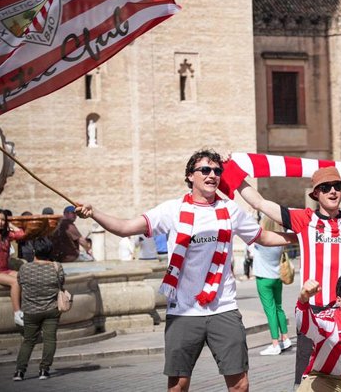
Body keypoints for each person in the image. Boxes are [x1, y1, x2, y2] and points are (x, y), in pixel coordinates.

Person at [77, 149, 296, 392]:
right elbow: (126, 227)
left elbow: (262, 236)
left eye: (216, 171)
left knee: (240, 385)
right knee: (178, 386)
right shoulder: (172, 210)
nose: (212, 175)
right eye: (205, 170)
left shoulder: (231, 210)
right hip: (183, 310)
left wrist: (301, 235)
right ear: (190, 176)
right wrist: (94, 212)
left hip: (223, 308)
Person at [236, 165, 341, 387]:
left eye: (337, 187)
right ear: (316, 194)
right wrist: (229, 172)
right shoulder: (304, 220)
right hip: (314, 313)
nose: (333, 191)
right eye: (326, 187)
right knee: (304, 381)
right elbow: (259, 203)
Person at [13, 237, 64, 381]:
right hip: (51, 310)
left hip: (30, 311)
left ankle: (19, 372)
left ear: (34, 251)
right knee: (50, 340)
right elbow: (61, 283)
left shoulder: (24, 268)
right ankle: (44, 370)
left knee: (28, 340)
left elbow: (20, 282)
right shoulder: (57, 267)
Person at [253, 216, 291, 356]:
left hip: (263, 278)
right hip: (277, 277)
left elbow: (250, 250)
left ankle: (275, 343)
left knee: (270, 311)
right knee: (279, 308)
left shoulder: (260, 241)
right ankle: (285, 338)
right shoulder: (279, 241)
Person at [0, 209, 24, 326]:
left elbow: (21, 234)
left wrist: (10, 224)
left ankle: (27, 307)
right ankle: (17, 313)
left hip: (5, 270)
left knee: (23, 276)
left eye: (3, 220)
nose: (0, 222)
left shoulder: (6, 235)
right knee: (15, 282)